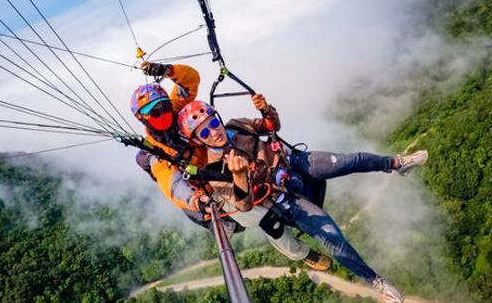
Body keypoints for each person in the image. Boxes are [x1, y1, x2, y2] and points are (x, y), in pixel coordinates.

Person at [177, 95, 429, 303]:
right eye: (205, 132)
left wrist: (267, 109)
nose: (213, 133)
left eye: (212, 123)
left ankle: (397, 163)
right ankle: (377, 283)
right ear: (198, 140)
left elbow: (271, 126)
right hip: (280, 198)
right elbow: (243, 204)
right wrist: (239, 175)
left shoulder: (236, 126)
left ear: (218, 119)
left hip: (291, 164)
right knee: (332, 238)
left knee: (349, 161)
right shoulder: (215, 171)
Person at [130, 62, 331, 270]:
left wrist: (167, 70)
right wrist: (198, 201)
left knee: (280, 162)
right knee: (267, 219)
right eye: (155, 113)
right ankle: (301, 253)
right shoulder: (157, 153)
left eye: (164, 107)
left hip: (228, 154)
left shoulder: (177, 108)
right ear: (143, 119)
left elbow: (190, 80)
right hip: (215, 186)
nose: (162, 113)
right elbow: (173, 185)